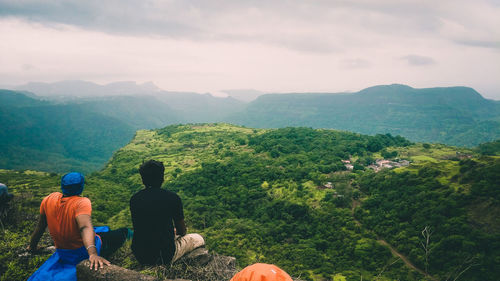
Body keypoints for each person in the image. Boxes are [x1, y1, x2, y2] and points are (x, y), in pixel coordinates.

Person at [27, 172, 124, 281]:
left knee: (100, 230)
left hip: (62, 252)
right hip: (80, 252)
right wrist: (93, 254)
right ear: (81, 187)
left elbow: (40, 227)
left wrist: (32, 247)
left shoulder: (48, 199)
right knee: (121, 232)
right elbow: (85, 227)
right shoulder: (82, 202)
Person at [130, 160, 205, 265]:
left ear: (143, 180)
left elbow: (143, 227)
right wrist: (172, 232)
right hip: (164, 256)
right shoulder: (173, 198)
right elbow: (182, 231)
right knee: (199, 238)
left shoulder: (135, 199)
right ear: (162, 178)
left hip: (140, 254)